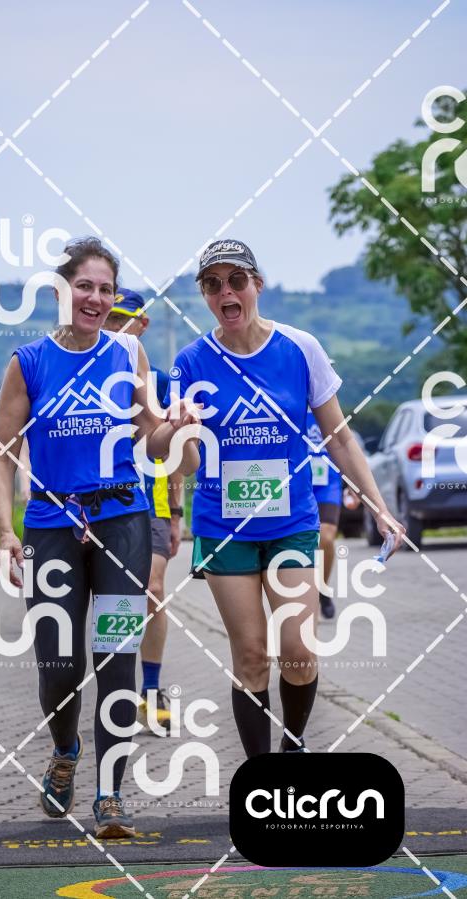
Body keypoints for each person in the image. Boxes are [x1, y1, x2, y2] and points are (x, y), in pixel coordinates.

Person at [0, 238, 198, 837]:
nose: (96, 298)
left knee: (115, 658)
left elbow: (151, 441)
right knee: (58, 664)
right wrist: (4, 533)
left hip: (122, 519)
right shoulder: (29, 361)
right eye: (85, 286)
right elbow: (1, 456)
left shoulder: (128, 353)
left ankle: (110, 794)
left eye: (106, 289)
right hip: (50, 523)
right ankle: (65, 749)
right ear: (62, 291)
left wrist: (176, 428)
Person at [169, 239, 405, 756]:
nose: (226, 292)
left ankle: (293, 747)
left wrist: (380, 507)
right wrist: (184, 433)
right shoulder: (191, 363)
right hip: (224, 527)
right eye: (213, 284)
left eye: (237, 281)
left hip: (291, 522)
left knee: (298, 653)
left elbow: (339, 438)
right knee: (252, 656)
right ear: (205, 295)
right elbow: (183, 465)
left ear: (257, 285)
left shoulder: (300, 348)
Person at [104, 289, 184, 733]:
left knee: (152, 590)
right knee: (114, 602)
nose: (114, 327)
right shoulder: (95, 370)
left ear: (143, 324)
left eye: (122, 319)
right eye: (109, 319)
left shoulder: (162, 382)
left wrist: (176, 511)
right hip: (104, 504)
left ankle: (151, 691)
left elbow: (173, 450)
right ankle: (115, 692)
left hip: (152, 504)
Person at [306, 407, 342, 619]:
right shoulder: (287, 402)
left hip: (328, 483)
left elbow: (344, 445)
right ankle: (310, 592)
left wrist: (353, 488)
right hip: (300, 481)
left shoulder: (326, 405)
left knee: (326, 537)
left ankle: (322, 588)